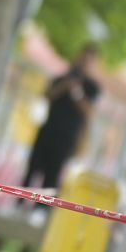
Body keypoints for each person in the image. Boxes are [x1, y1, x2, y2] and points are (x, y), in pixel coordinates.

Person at [20, 44, 100, 217]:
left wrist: (76, 92)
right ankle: (19, 203)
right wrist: (65, 86)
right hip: (48, 130)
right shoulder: (62, 78)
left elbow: (88, 111)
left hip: (66, 138)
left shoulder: (92, 87)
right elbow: (47, 95)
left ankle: (41, 209)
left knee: (53, 173)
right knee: (33, 167)